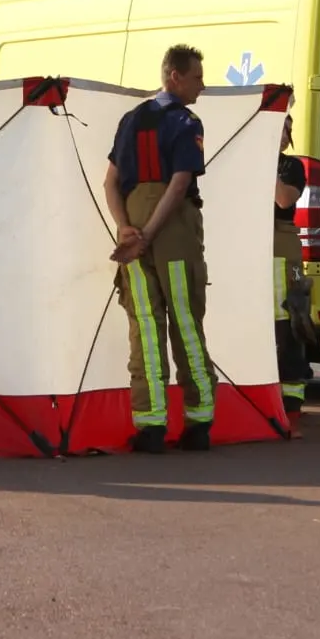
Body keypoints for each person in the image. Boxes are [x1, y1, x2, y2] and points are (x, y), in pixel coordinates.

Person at [104, 44, 214, 453]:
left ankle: (150, 426)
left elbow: (109, 181)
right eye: (197, 77)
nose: (202, 85)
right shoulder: (186, 122)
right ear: (175, 77)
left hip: (132, 226)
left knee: (145, 329)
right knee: (186, 323)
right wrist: (149, 234)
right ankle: (198, 422)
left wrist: (126, 229)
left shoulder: (130, 120)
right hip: (172, 231)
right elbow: (180, 183)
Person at [272, 114, 312, 432]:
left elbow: (284, 199)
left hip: (284, 250)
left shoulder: (291, 167)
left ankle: (292, 403)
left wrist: (265, 160)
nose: (286, 134)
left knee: (290, 324)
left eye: (288, 130)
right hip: (254, 245)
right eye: (280, 128)